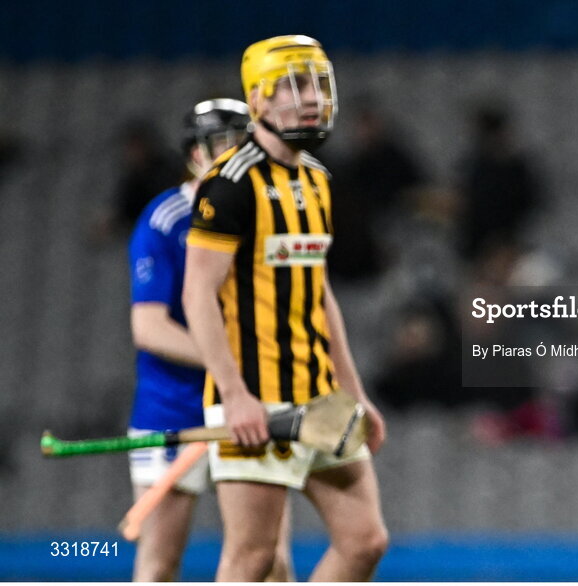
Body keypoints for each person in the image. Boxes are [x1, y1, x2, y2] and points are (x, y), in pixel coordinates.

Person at [182, 35, 389, 582]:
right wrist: (234, 396)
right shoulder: (228, 185)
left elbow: (319, 294)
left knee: (365, 541)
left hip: (320, 398)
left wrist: (354, 393)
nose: (313, 98)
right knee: (254, 559)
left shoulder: (317, 180)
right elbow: (196, 294)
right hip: (256, 401)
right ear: (258, 102)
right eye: (295, 86)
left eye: (319, 84)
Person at [127, 98, 294, 581]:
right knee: (160, 564)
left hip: (249, 404)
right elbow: (150, 328)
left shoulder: (269, 218)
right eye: (226, 143)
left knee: (270, 560)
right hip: (175, 406)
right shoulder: (165, 220)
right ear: (194, 154)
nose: (239, 155)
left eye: (248, 143)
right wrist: (232, 366)